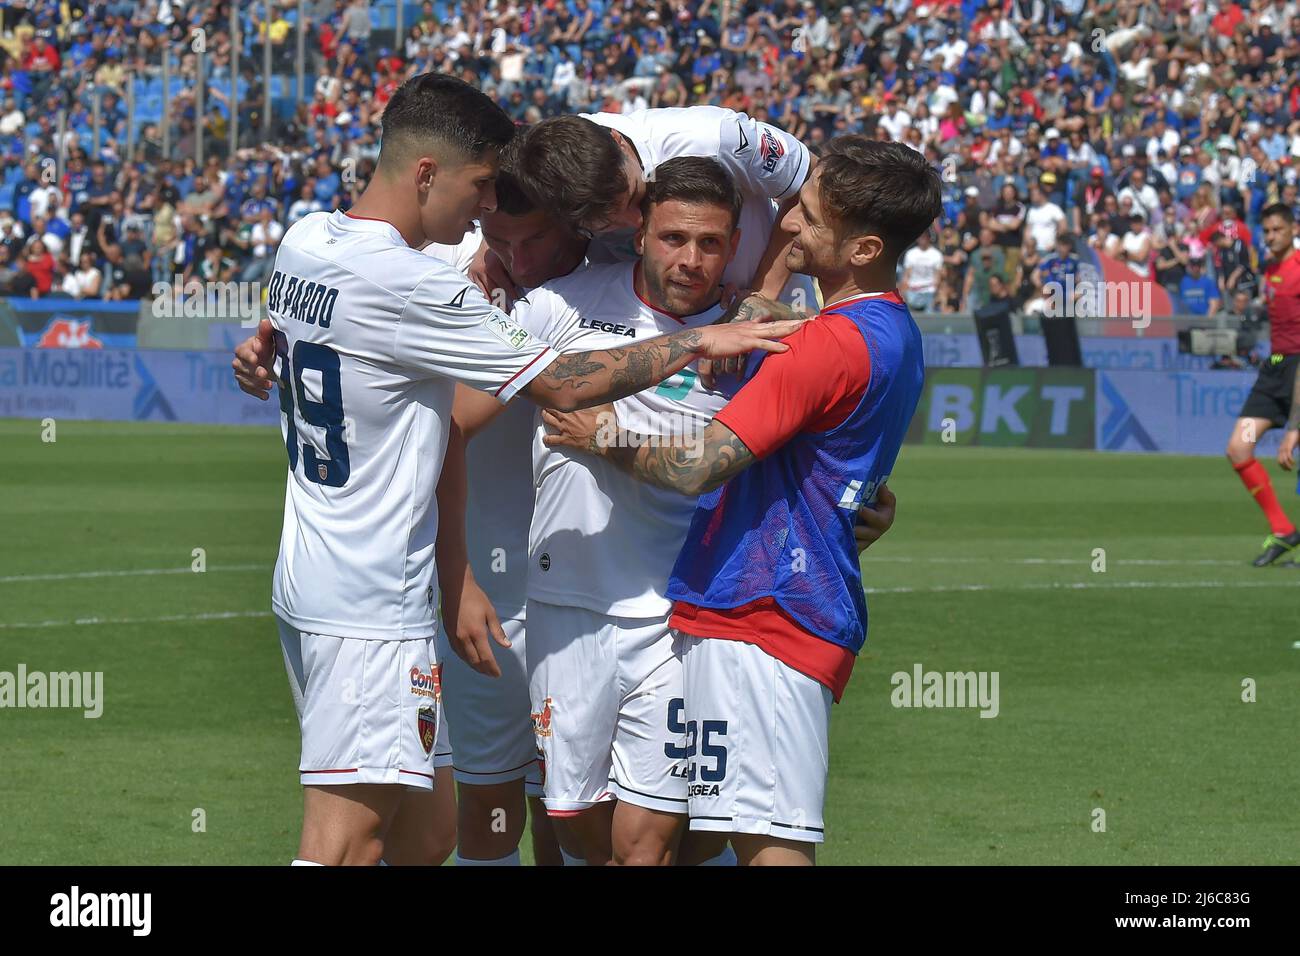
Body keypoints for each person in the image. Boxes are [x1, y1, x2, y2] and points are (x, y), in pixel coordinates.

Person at [230, 72, 801, 866]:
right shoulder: (431, 282)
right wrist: (700, 341)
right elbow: (562, 382)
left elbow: (298, 324)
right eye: (478, 192)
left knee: (423, 833)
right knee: (345, 841)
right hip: (374, 599)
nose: (482, 215)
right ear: (429, 173)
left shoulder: (304, 241)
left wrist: (263, 345)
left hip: (318, 573)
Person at [540, 137, 940, 864]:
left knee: (769, 845)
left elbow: (697, 468)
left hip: (770, 613)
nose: (789, 226)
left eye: (811, 219)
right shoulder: (897, 332)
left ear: (863, 247)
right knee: (710, 835)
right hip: (750, 608)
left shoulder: (821, 346)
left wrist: (603, 437)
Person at [1231, 204, 1300, 565]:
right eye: (1267, 231)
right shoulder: (1270, 269)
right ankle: (1284, 529)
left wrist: (1294, 426)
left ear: (1293, 229)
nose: (1271, 236)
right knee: (1239, 448)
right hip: (1275, 368)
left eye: (1278, 230)